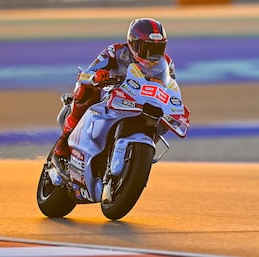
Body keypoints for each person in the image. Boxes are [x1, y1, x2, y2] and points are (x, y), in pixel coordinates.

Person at [52, 18, 177, 176]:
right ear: (132, 43)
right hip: (111, 95)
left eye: (157, 49)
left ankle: (143, 148)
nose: (151, 54)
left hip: (142, 102)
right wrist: (96, 78)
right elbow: (87, 73)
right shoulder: (115, 51)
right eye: (145, 48)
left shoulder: (166, 63)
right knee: (86, 90)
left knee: (166, 115)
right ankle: (63, 143)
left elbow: (170, 87)